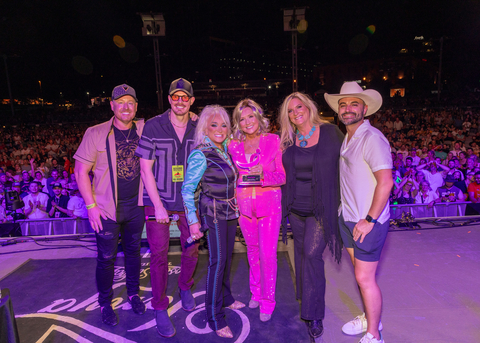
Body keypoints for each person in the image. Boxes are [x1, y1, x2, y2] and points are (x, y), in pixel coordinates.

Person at [324, 81, 393, 343]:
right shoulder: (349, 136)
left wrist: (369, 219)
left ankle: (374, 334)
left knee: (365, 278)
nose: (348, 108)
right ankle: (369, 317)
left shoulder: (372, 138)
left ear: (365, 108)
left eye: (354, 103)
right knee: (359, 274)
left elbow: (386, 182)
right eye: (343, 104)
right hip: (349, 218)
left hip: (367, 221)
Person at [74, 84, 146, 326]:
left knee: (134, 253)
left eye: (130, 102)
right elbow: (81, 171)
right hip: (106, 209)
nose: (125, 107)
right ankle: (105, 302)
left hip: (136, 207)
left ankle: (134, 294)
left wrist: (194, 114)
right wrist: (91, 206)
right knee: (106, 258)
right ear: (112, 105)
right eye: (120, 102)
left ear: (136, 106)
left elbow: (174, 117)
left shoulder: (145, 128)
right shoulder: (95, 133)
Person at [135, 78, 200, 338]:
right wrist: (159, 206)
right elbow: (145, 169)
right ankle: (160, 306)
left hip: (189, 201)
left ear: (192, 101)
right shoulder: (153, 125)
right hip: (157, 201)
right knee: (159, 255)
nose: (180, 101)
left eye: (185, 97)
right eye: (176, 97)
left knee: (192, 248)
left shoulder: (199, 126)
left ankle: (185, 287)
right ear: (170, 99)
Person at [279, 92, 344, 340]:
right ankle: (305, 296)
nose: (296, 113)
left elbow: (348, 163)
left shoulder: (329, 133)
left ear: (309, 107)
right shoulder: (288, 140)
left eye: (299, 107)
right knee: (301, 255)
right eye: (290, 111)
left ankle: (314, 313)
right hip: (295, 209)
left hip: (320, 209)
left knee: (311, 255)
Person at [181, 105, 244, 339]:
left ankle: (226, 299)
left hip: (229, 212)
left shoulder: (225, 149)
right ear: (205, 128)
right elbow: (187, 190)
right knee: (217, 264)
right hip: (214, 214)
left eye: (224, 124)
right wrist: (193, 222)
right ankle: (215, 317)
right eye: (214, 124)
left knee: (227, 259)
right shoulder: (200, 153)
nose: (220, 129)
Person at [228, 99, 286, 322]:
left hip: (269, 207)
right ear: (237, 123)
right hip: (244, 209)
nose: (247, 122)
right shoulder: (233, 145)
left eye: (251, 116)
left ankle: (268, 300)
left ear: (259, 117)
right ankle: (255, 291)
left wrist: (264, 174)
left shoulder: (273, 141)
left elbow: (281, 176)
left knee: (268, 254)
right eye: (241, 119)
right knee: (252, 252)